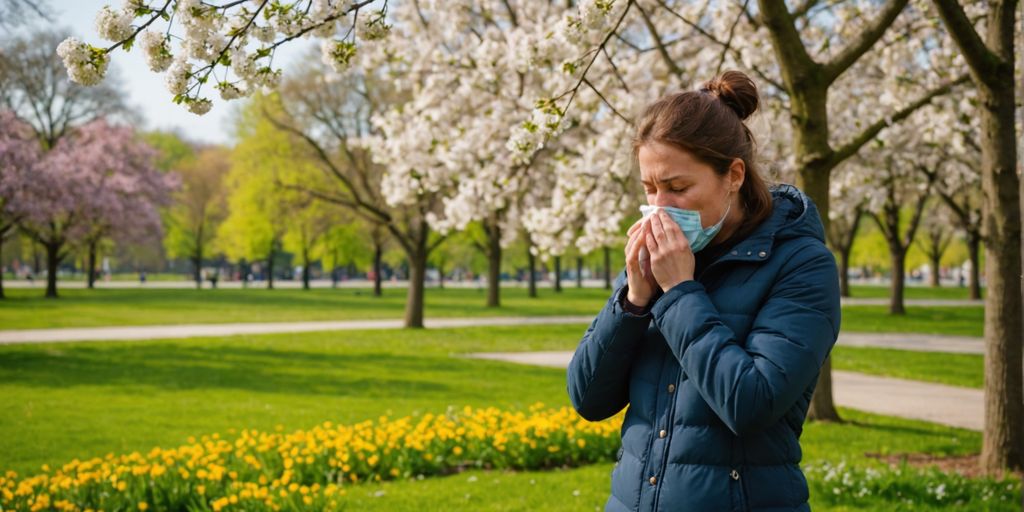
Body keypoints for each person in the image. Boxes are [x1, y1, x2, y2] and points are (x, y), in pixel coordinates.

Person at [567, 70, 841, 512]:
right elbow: (588, 398)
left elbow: (751, 404)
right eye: (650, 189)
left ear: (733, 175)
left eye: (677, 188)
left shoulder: (801, 265)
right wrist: (634, 301)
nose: (659, 207)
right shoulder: (658, 264)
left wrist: (678, 291)